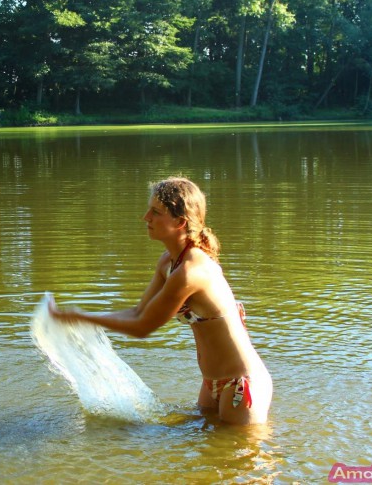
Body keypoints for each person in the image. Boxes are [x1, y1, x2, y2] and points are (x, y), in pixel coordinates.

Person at [49, 177, 272, 425]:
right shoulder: (168, 262)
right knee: (210, 453)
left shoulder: (190, 271)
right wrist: (81, 317)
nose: (146, 217)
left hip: (240, 385)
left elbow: (143, 327)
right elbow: (138, 312)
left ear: (180, 222)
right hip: (211, 383)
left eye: (155, 212)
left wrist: (80, 318)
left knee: (240, 460)